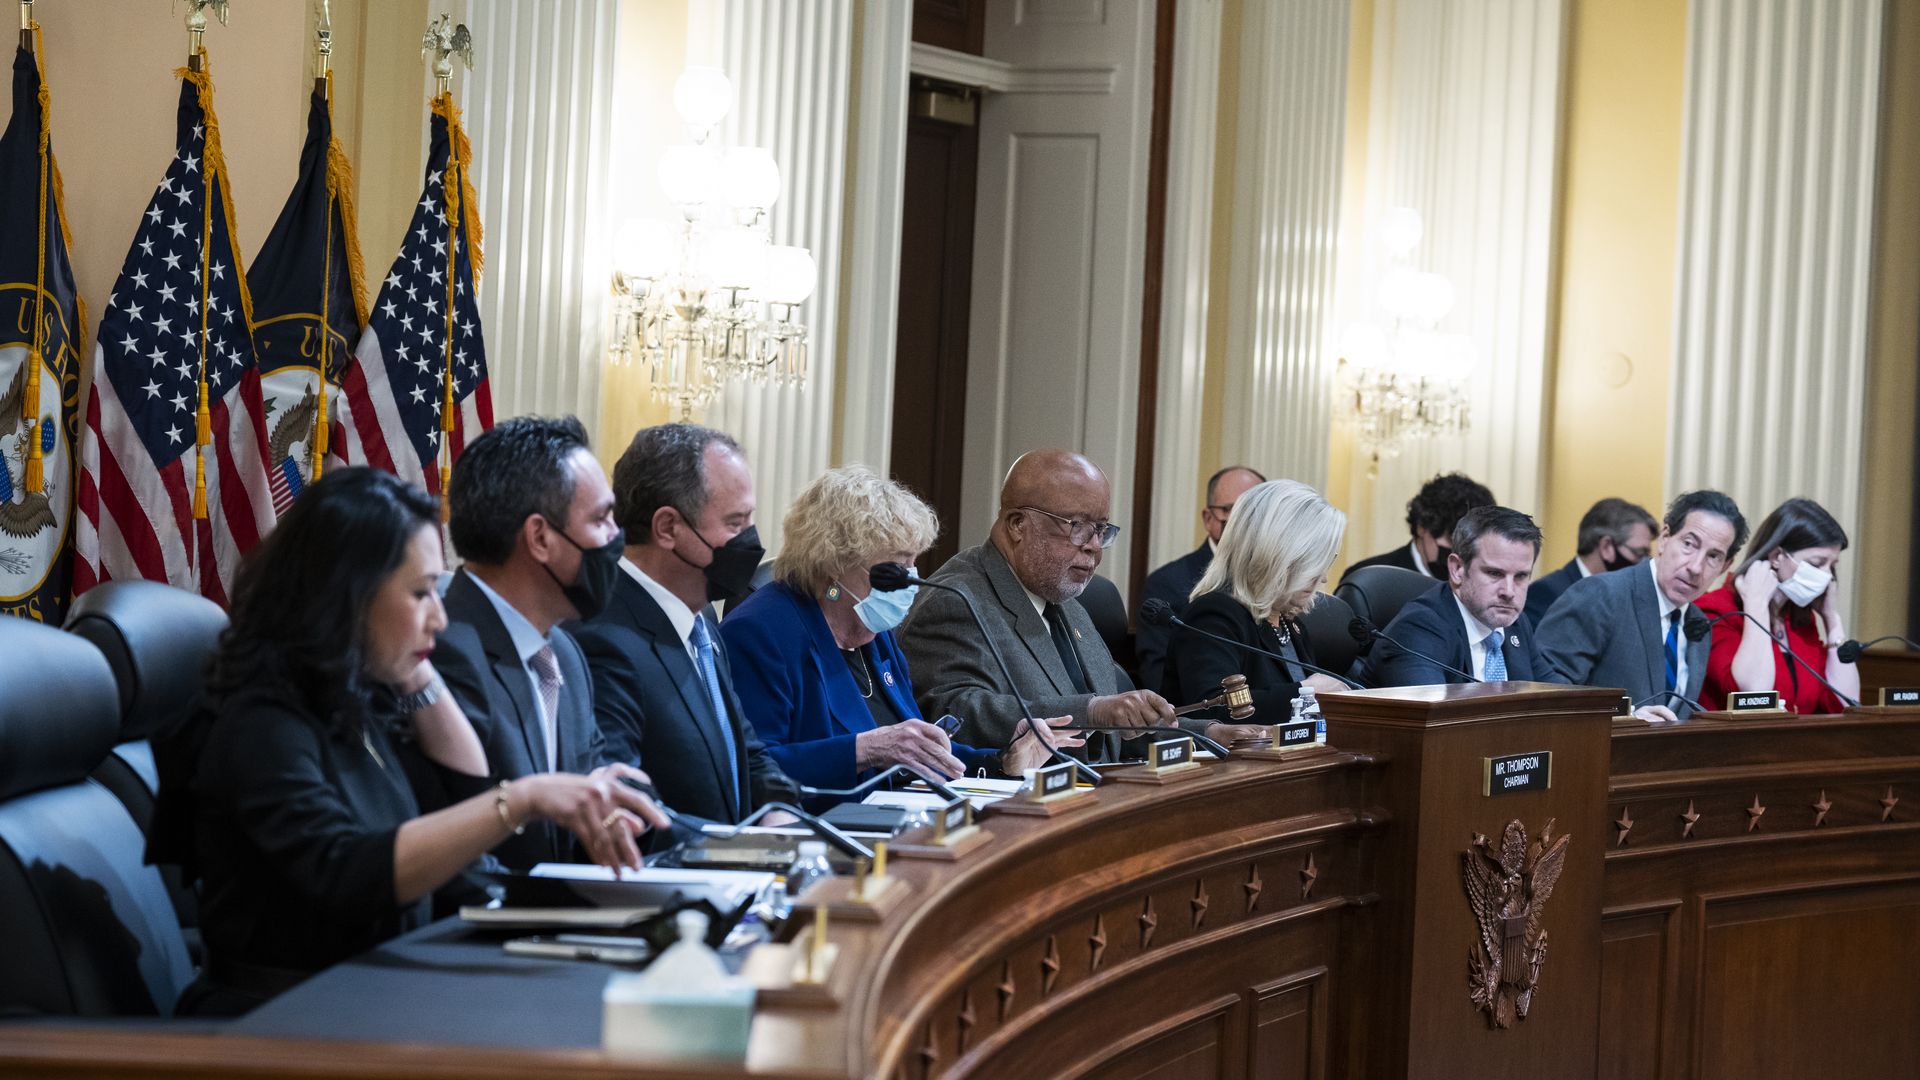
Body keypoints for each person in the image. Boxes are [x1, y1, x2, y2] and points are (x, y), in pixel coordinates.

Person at [155, 468, 665, 1014]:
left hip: (367, 996)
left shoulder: (352, 696)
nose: (440, 618)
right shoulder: (260, 721)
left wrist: (416, 671)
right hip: (280, 1020)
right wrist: (524, 797)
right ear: (348, 594)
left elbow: (462, 794)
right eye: (422, 593)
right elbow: (345, 871)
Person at [721, 465, 1082, 792]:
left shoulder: (874, 636)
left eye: (913, 563)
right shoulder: (761, 633)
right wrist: (863, 750)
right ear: (834, 563)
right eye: (895, 567)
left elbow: (916, 749)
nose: (911, 580)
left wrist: (1003, 761)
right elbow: (750, 772)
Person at [571, 423, 802, 824]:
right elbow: (622, 804)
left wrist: (781, 817)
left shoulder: (700, 616)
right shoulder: (602, 636)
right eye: (735, 523)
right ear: (668, 528)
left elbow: (748, 752)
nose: (751, 539)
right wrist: (732, 850)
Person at [431, 415, 630, 868]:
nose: (616, 537)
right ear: (540, 537)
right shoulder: (445, 653)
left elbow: (595, 799)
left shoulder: (565, 654)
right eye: (601, 518)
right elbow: (464, 853)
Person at [898, 449, 1181, 752]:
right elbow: (956, 714)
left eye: (1100, 529)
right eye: (1077, 526)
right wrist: (1092, 712)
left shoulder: (1067, 605)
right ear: (1018, 524)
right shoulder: (956, 602)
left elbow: (1123, 726)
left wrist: (1213, 733)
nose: (1094, 547)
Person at [1536, 490, 1747, 722]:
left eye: (1713, 556)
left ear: (1726, 565)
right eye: (1689, 544)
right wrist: (1627, 717)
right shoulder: (1601, 594)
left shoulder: (1698, 624)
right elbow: (1545, 690)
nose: (1696, 567)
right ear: (1665, 538)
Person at [1162, 480, 1350, 722]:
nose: (1323, 577)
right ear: (1276, 554)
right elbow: (1212, 710)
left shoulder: (1291, 625)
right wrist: (1306, 693)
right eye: (1314, 563)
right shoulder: (1213, 616)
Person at [1695, 497, 1859, 713]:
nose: (1828, 576)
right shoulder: (1715, 610)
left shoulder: (1799, 619)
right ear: (1777, 556)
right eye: (1817, 563)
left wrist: (1832, 620)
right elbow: (1752, 694)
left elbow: (1846, 703)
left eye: (1832, 565)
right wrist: (1756, 605)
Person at [1367, 506, 1547, 686]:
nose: (1509, 592)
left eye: (1521, 576)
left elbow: (1558, 698)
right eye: (1494, 573)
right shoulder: (1419, 629)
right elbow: (1435, 712)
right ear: (1457, 569)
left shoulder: (1515, 623)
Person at [1135, 465, 1265, 697]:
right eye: (1231, 510)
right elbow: (1159, 685)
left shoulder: (1271, 584)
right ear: (1208, 518)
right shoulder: (1169, 584)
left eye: (1255, 512)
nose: (1244, 523)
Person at [1523, 497, 1657, 630]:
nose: (1645, 563)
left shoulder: (1627, 599)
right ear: (1606, 547)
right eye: (1639, 553)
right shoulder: (1547, 593)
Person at [1339, 472, 1494, 583]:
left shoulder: (1489, 581)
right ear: (1422, 527)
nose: (1460, 553)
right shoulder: (1368, 578)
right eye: (1452, 539)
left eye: (1469, 543)